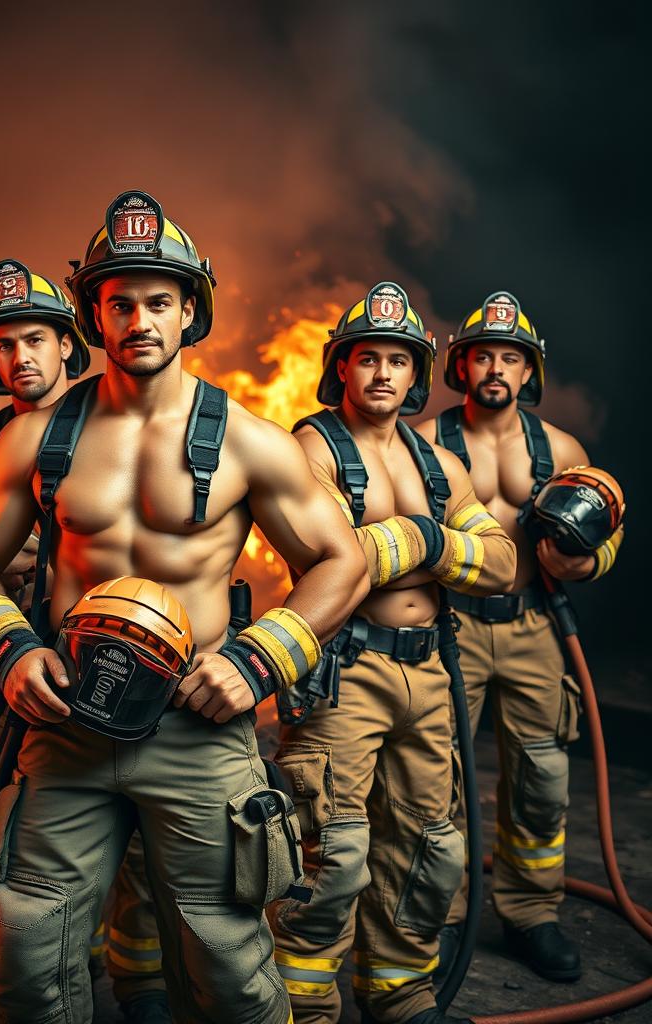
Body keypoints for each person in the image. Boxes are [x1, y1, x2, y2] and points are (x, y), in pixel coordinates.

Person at [0, 190, 369, 1023]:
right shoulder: (33, 438)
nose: (139, 319)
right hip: (66, 723)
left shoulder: (250, 440)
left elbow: (341, 560)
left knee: (227, 962)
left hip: (196, 731)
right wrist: (7, 649)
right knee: (26, 953)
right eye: (120, 303)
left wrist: (258, 661)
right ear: (93, 316)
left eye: (159, 303)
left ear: (190, 313)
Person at [0, 257, 170, 1022]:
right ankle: (66, 980)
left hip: (119, 671)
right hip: (8, 674)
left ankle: (142, 983)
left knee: (147, 848)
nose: (20, 359)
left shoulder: (116, 421)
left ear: (67, 345)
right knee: (28, 857)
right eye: (5, 346)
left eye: (36, 342)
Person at [273, 281, 517, 1024]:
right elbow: (329, 564)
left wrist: (421, 539)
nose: (383, 373)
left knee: (426, 843)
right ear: (339, 368)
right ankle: (306, 1002)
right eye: (367, 358)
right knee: (331, 849)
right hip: (344, 672)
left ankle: (398, 991)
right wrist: (441, 547)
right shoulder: (307, 449)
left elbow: (502, 563)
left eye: (399, 361)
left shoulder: (435, 460)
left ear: (417, 376)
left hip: (428, 670)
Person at [418, 291, 623, 984]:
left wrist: (587, 560)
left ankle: (531, 913)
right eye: (482, 357)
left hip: (534, 627)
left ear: (530, 370)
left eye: (510, 357)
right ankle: (439, 918)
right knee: (437, 781)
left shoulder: (560, 449)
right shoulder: (425, 444)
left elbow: (605, 533)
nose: (496, 368)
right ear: (461, 367)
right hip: (452, 630)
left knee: (541, 777)